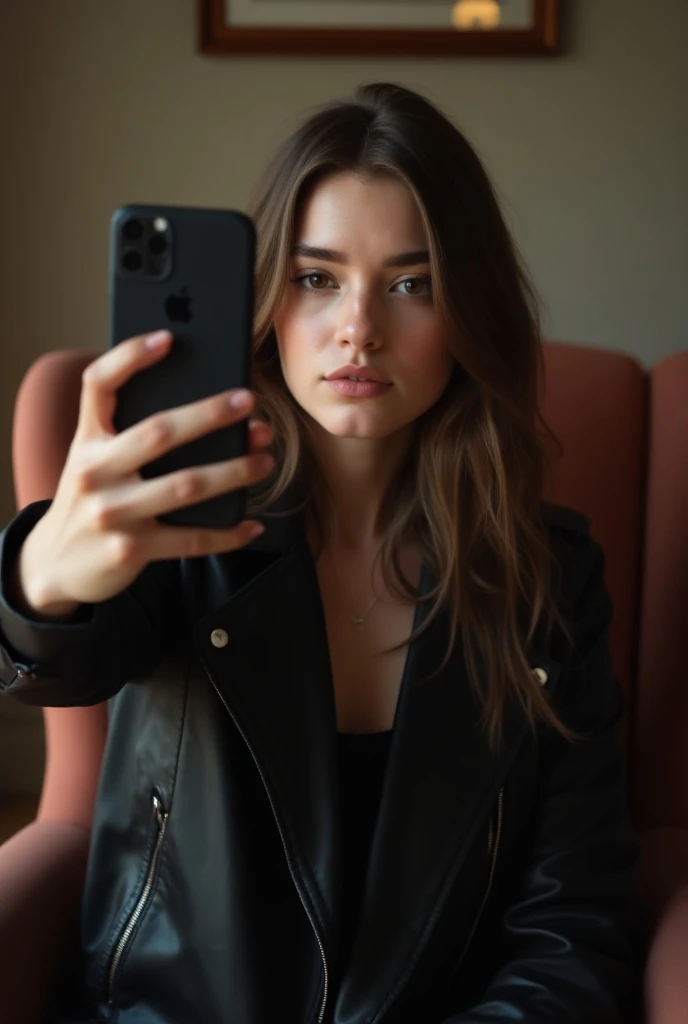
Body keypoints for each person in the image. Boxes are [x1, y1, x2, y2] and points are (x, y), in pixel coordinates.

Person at [0, 83, 644, 1023]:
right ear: (265, 297)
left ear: (471, 311)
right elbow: (53, 662)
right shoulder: (176, 527)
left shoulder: (549, 582)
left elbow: (573, 924)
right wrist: (42, 579)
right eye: (316, 277)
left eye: (411, 283)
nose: (359, 327)